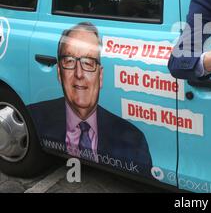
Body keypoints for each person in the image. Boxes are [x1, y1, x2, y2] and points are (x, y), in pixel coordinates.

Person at [28, 22, 153, 177]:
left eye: (88, 63)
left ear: (100, 77)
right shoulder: (36, 117)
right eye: (69, 61)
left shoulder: (133, 139)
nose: (79, 74)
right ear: (59, 73)